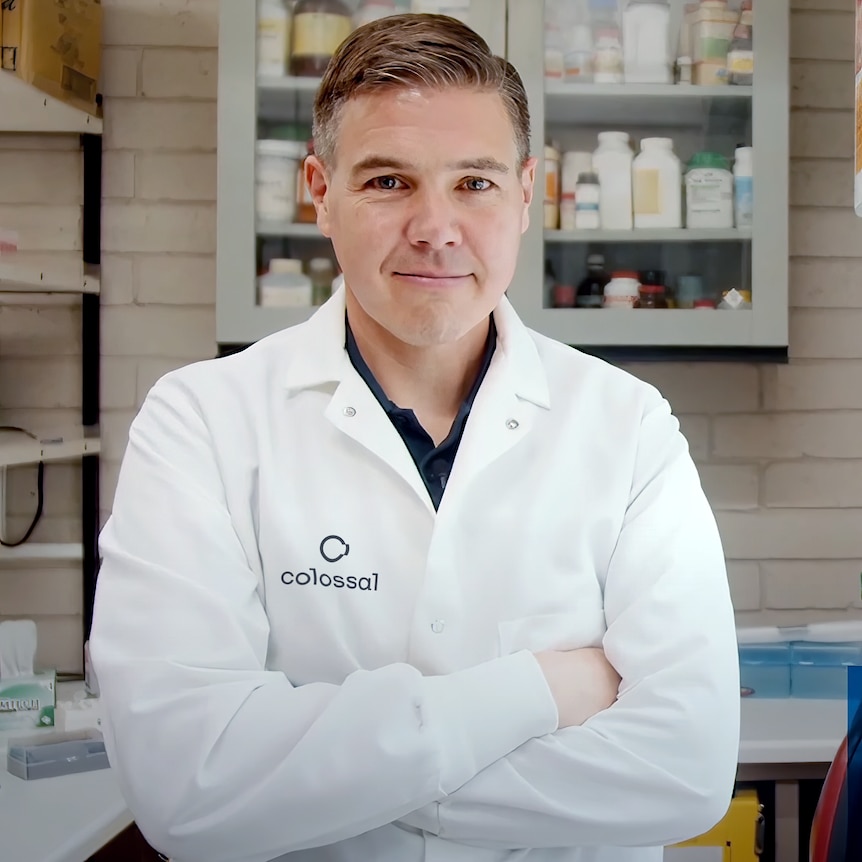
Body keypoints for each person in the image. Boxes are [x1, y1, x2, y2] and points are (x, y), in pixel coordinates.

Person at [89, 12, 740, 862]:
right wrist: (543, 688)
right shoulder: (202, 422)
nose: (436, 227)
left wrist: (325, 783)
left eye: (473, 182)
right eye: (389, 181)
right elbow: (187, 786)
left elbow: (682, 771)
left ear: (526, 191)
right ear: (319, 192)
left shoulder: (628, 426)